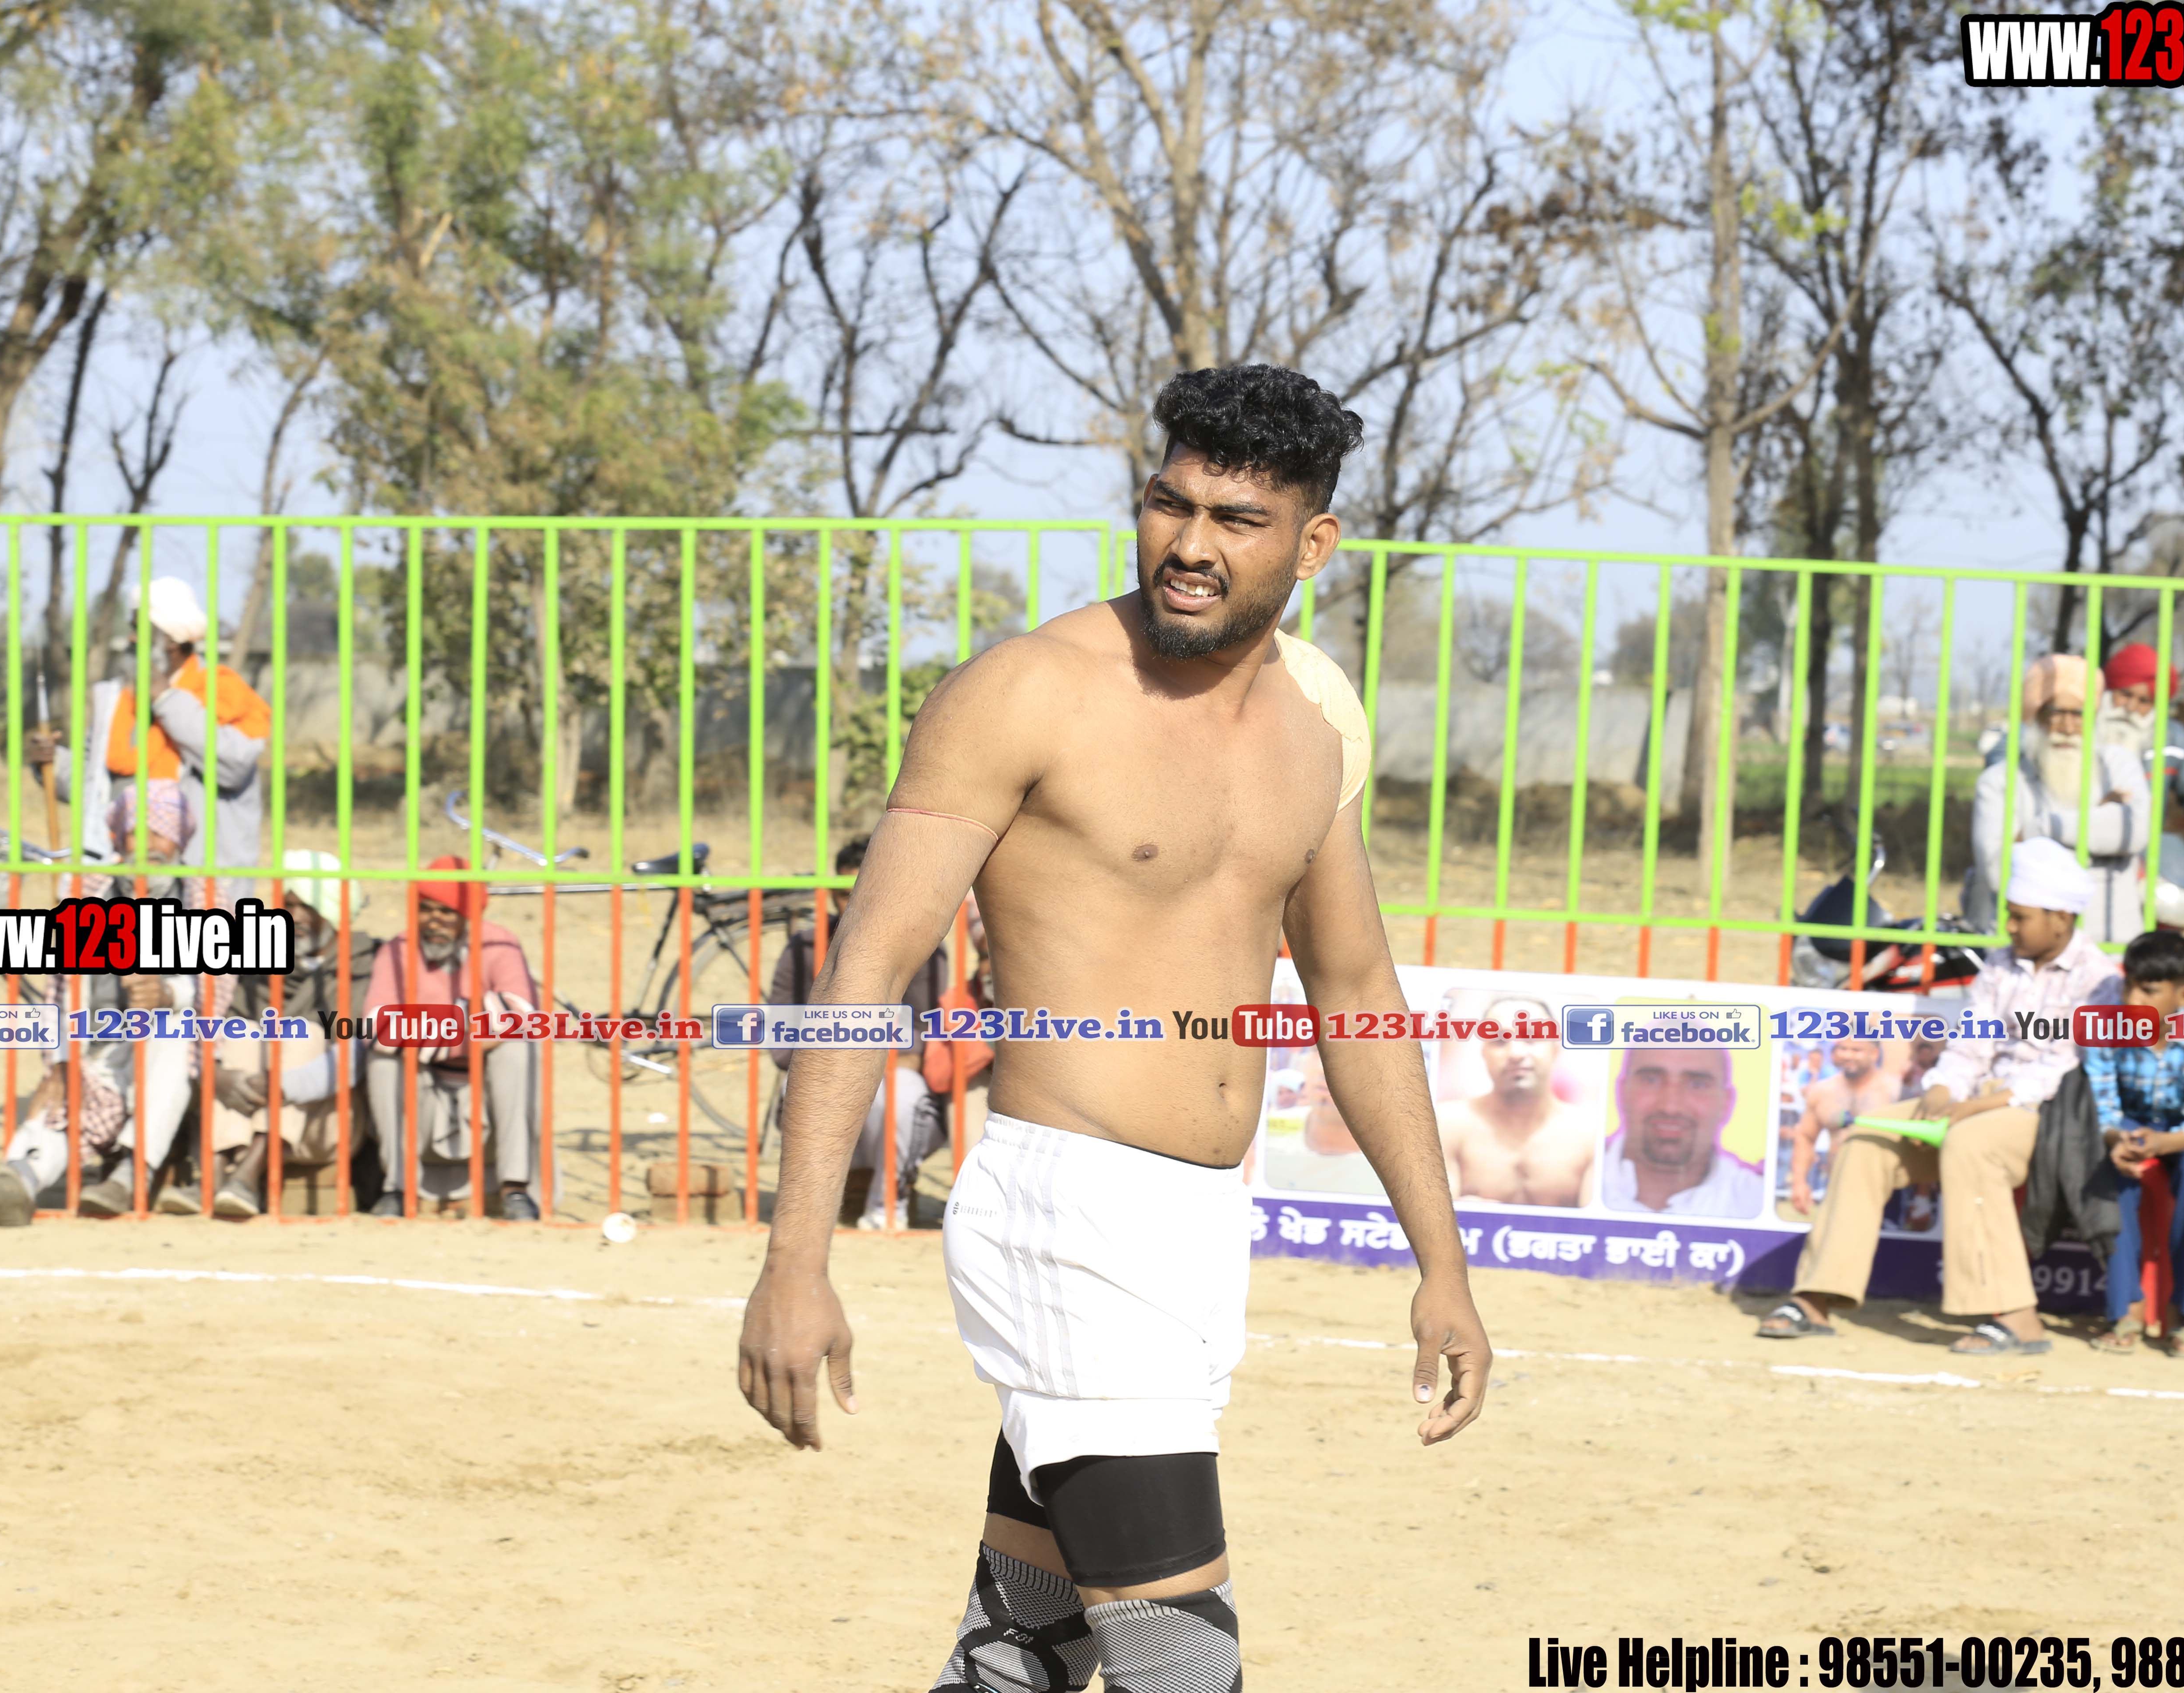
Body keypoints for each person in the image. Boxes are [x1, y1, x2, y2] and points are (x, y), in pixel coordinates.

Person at [735, 363, 1488, 1693]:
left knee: (1022, 1652)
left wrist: (1443, 1261)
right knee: (1183, 1668)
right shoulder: (1029, 690)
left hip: (1195, 1229)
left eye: (1236, 519)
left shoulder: (1312, 730)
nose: (1191, 544)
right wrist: (795, 1261)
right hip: (1066, 1217)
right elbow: (865, 970)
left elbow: (1356, 993)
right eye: (1169, 503)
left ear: (1313, 542)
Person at [1760, 838, 2122, 1351]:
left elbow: (2057, 1071)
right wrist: (1941, 1091)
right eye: (2010, 915)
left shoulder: (2100, 982)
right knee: (1865, 1141)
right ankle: (1817, 1297)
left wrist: (1969, 1109)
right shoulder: (2000, 965)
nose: (2010, 927)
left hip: (2044, 1112)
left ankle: (2018, 1318)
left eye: (2021, 917)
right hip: (1972, 1101)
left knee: (1969, 1145)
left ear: (2061, 919)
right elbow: (1970, 1045)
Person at [0, 781, 225, 1223]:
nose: (149, 846)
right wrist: (62, 1061)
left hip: (168, 1052)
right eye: (138, 832)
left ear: (179, 840)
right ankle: (21, 1176)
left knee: (175, 1029)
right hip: (98, 1050)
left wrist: (167, 993)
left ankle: (132, 1174)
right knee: (59, 1111)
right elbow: (62, 990)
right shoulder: (90, 892)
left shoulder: (202, 897)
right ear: (120, 838)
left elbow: (216, 988)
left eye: (160, 833)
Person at [30, 575, 271, 911]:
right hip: (123, 886)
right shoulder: (118, 699)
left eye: (139, 628)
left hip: (199, 892)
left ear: (171, 639)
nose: (131, 638)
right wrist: (51, 762)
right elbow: (96, 787)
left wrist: (167, 699)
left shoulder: (223, 692)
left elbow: (233, 765)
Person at [768, 834, 954, 1230]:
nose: (854, 904)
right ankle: (811, 1215)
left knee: (901, 1093)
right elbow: (781, 1043)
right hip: (823, 1082)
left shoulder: (926, 950)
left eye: (865, 892)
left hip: (891, 1089)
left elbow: (921, 1041)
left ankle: (887, 1208)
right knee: (811, 1088)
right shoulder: (804, 948)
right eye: (843, 894)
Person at [361, 857, 542, 1221]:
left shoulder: (499, 944)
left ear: (468, 916)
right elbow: (376, 1026)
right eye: (426, 910)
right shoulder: (398, 950)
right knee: (382, 1063)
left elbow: (520, 1013)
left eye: (446, 912)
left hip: (483, 1091)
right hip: (423, 1091)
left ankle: (515, 1189)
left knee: (517, 1051)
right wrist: (469, 1022)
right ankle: (398, 1189)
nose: (434, 921)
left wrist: (426, 1032)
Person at [207, 851, 381, 1217]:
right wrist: (219, 1077)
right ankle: (219, 1171)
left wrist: (283, 1085)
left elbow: (354, 1057)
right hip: (246, 1109)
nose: (296, 917)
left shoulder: (364, 963)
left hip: (324, 1121)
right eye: (288, 906)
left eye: (308, 907)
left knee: (304, 1036)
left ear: (333, 911)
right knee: (243, 1034)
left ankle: (249, 1172)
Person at [2083, 929, 2184, 1360]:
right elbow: (2102, 1106)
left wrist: (2167, 1142)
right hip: (2127, 1125)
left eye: (2148, 991)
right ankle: (2126, 1307)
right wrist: (2116, 1139)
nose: (2132, 999)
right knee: (2113, 1170)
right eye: (2129, 986)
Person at [1968, 655, 2152, 946]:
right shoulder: (2000, 782)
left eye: (2078, 714)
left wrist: (2036, 831)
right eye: (2057, 713)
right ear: (2037, 716)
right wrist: (2098, 819)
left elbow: (2134, 832)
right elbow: (1997, 872)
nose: (2068, 728)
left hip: (2111, 945)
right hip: (2029, 954)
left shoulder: (2118, 765)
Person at [2096, 643, 2184, 922]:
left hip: (2142, 868)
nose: (2131, 708)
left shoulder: (2171, 738)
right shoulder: (2080, 727)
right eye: (2125, 695)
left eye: (2144, 701)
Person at [1433, 993, 1595, 1207]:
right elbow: (1432, 1216)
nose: (1516, 1053)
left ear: (1555, 1049)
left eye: (1531, 1038)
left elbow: (1598, 1225)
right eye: (1500, 1041)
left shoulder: (1590, 1136)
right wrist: (1467, 1216)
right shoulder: (1447, 1125)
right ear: (1484, 1053)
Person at [1601, 1047, 1762, 1217]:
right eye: (1651, 1080)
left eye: (1697, 1085)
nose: (1671, 1107)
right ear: (1621, 1092)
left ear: (1727, 1102)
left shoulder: (1756, 1202)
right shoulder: (1582, 1181)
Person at [1784, 1038, 1897, 1217]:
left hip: (1888, 1192)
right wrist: (1799, 1182)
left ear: (1874, 1054)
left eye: (1856, 1050)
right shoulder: (1823, 1092)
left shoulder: (1894, 1091)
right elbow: (1805, 1137)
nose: (1847, 1055)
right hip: (1838, 1188)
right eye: (1843, 1049)